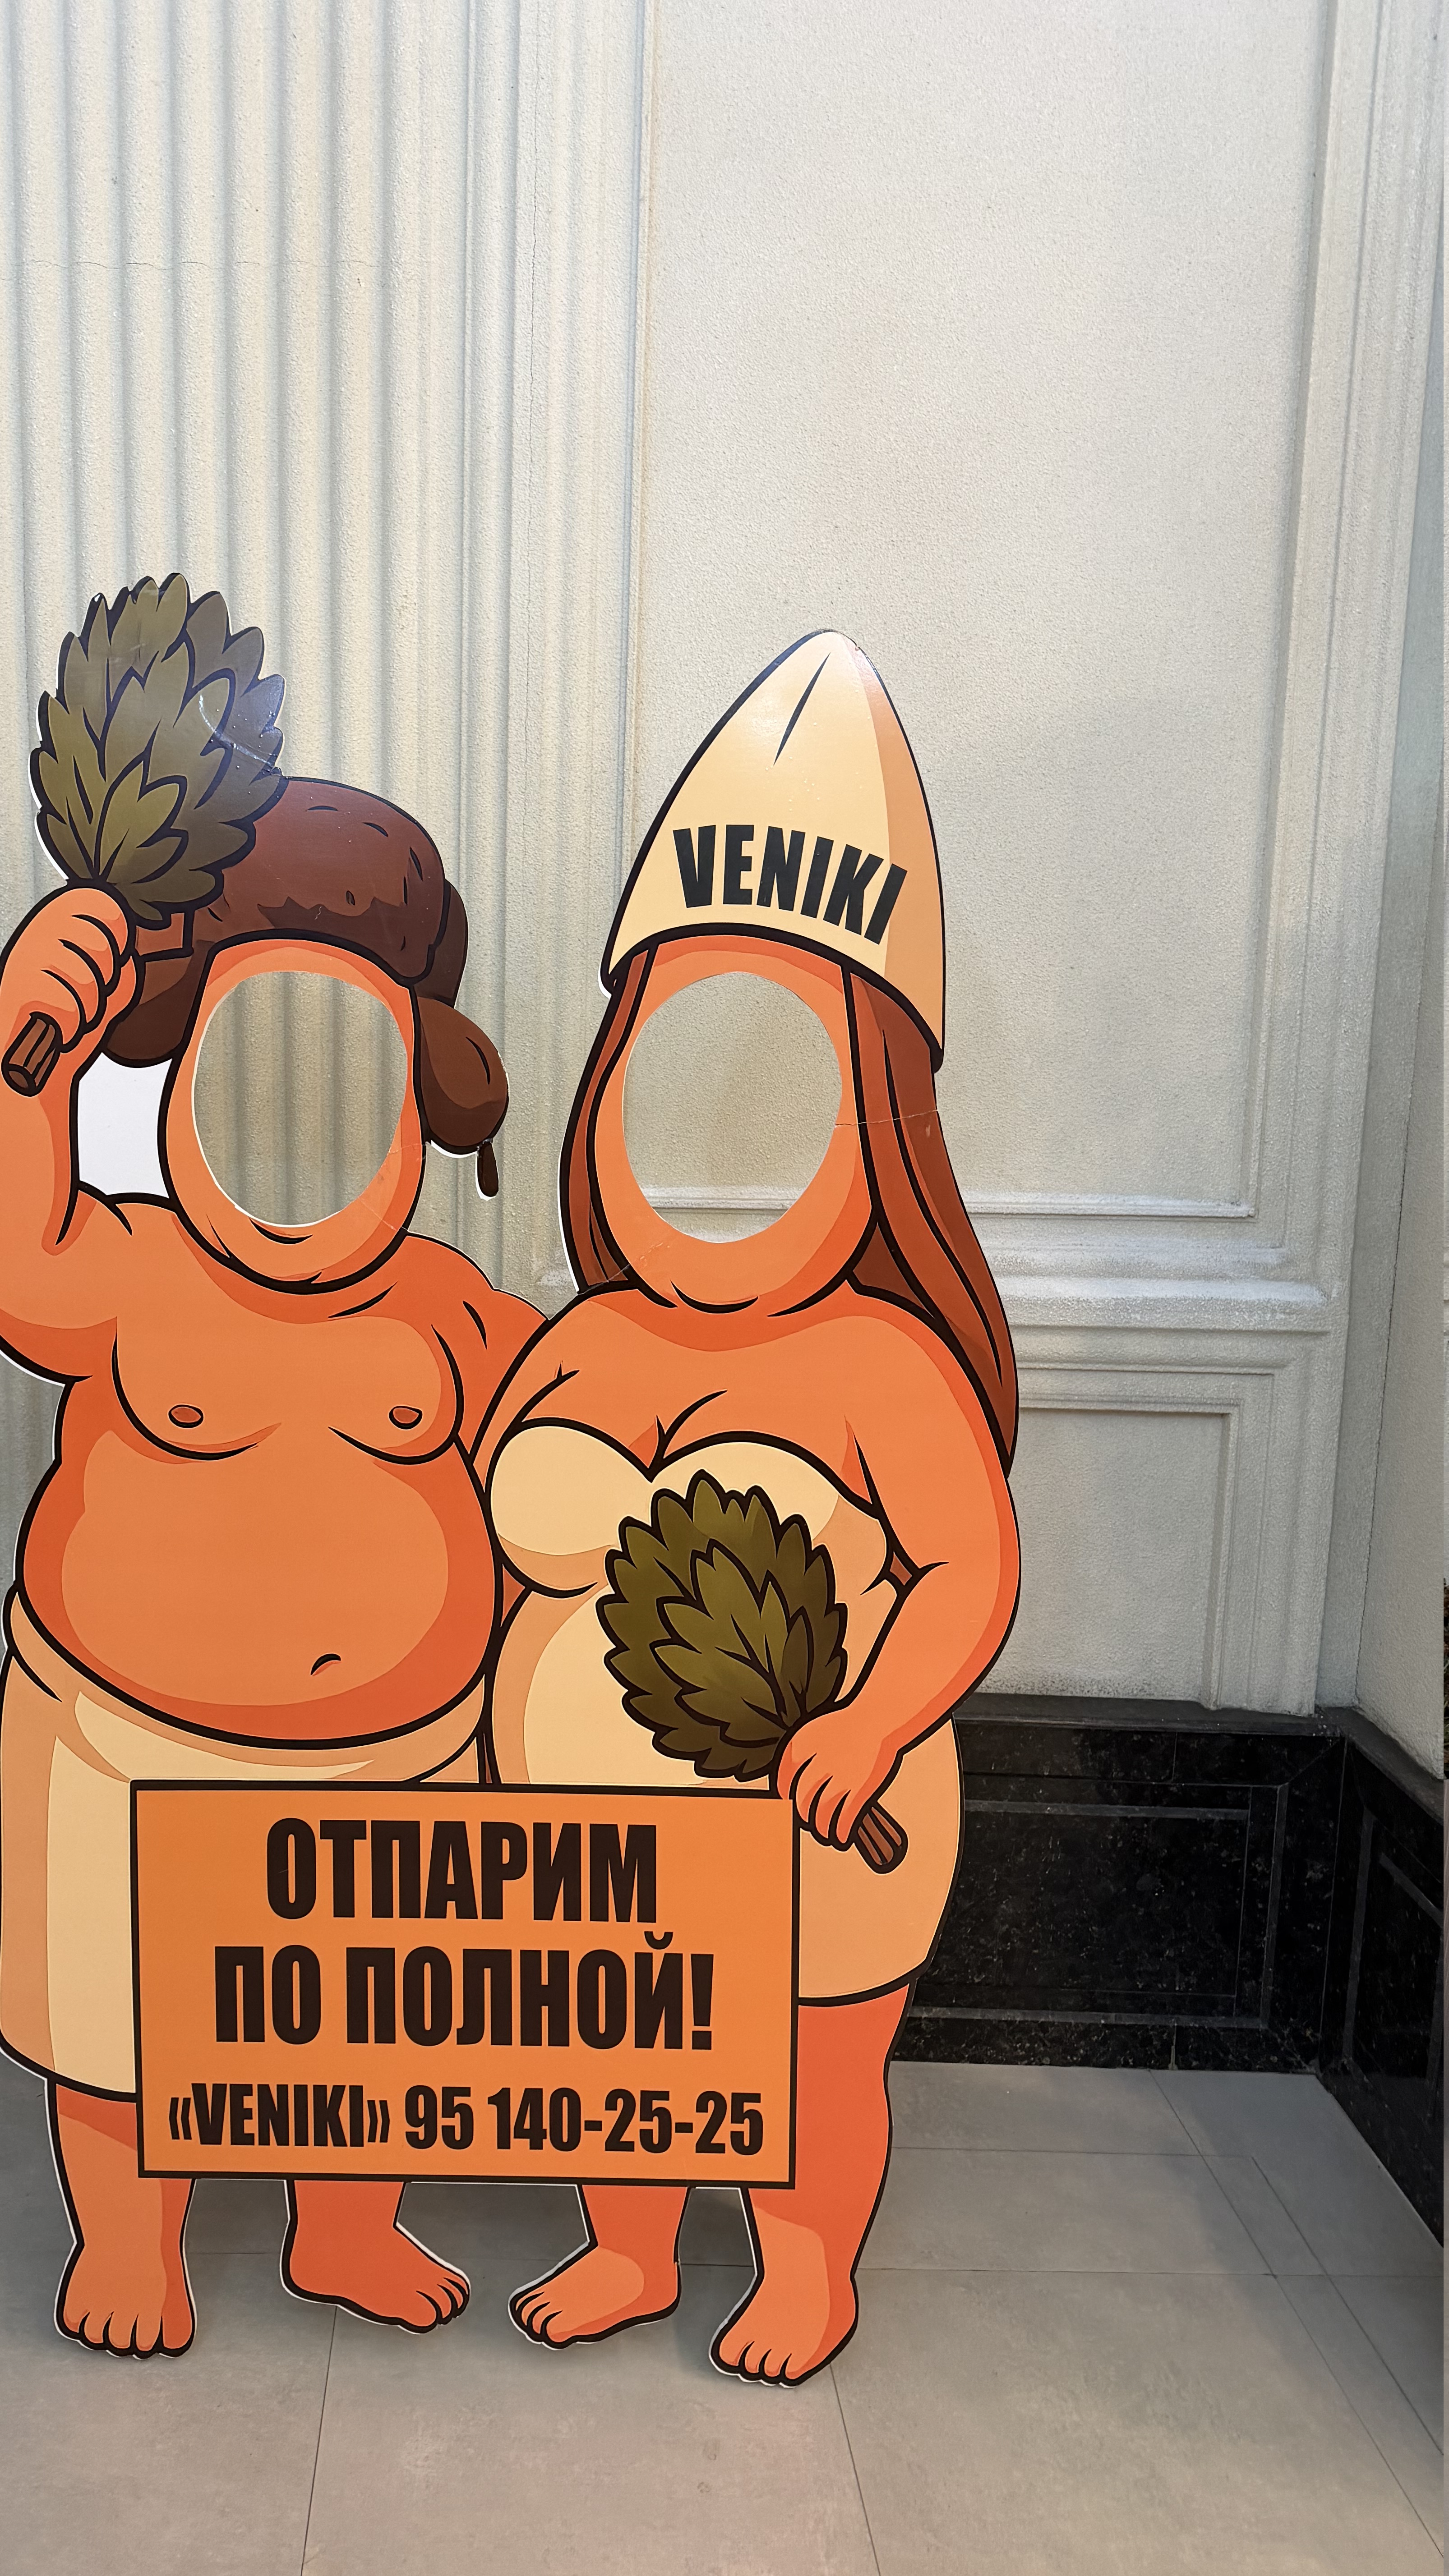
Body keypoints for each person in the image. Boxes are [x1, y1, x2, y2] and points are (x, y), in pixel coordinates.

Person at [476, 631, 1020, 2383]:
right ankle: (631, 2247)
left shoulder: (880, 1364)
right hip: (600, 1851)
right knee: (622, 2053)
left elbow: (966, 1567)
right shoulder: (584, 1337)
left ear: (877, 1123)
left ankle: (805, 2269)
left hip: (820, 1825)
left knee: (813, 2049)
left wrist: (873, 1718)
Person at [0, 780, 538, 2356]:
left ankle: (343, 2228)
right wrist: (24, 1054)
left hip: (395, 1756)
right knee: (111, 2016)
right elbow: (6, 1255)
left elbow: (570, 1436)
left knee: (366, 2026)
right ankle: (128, 2242)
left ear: (423, 1096)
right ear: (184, 1075)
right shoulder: (129, 1270)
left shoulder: (446, 1306)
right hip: (122, 1739)